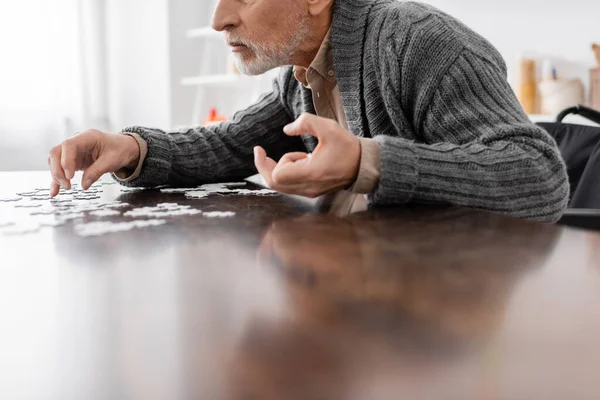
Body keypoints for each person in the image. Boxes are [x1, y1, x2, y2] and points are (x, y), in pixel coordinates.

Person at [47, 0, 569, 222]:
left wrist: (368, 163)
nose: (219, 19)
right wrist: (131, 149)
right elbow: (229, 145)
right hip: (375, 299)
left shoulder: (422, 43)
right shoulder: (300, 72)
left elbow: (541, 177)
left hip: (451, 334)